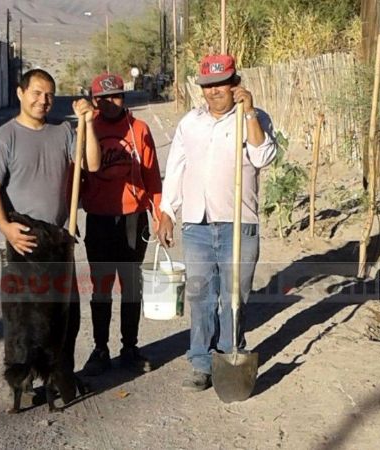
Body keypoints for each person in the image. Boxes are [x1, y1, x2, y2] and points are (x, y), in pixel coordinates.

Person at [157, 54, 277, 392]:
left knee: (234, 295)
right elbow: (177, 168)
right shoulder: (190, 123)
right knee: (200, 295)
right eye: (207, 86)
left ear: (235, 84)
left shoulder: (253, 118)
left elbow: (263, 156)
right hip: (196, 223)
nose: (213, 92)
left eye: (220, 84)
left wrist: (249, 112)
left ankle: (229, 354)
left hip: (239, 222)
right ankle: (200, 361)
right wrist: (168, 210)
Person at [0, 69, 101, 393]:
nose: (43, 100)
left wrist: (86, 124)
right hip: (24, 240)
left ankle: (61, 377)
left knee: (65, 314)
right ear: (20, 94)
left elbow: (92, 164)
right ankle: (22, 382)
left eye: (49, 94)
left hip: (60, 240)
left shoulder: (63, 132)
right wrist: (6, 227)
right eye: (36, 92)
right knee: (23, 319)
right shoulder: (4, 137)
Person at [80, 73, 163, 376]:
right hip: (100, 218)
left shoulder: (138, 129)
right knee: (101, 286)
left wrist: (160, 213)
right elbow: (73, 175)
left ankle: (130, 347)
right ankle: (100, 349)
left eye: (116, 96)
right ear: (94, 100)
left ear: (124, 97)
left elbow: (153, 176)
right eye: (104, 98)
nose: (111, 103)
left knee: (131, 285)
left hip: (133, 217)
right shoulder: (87, 129)